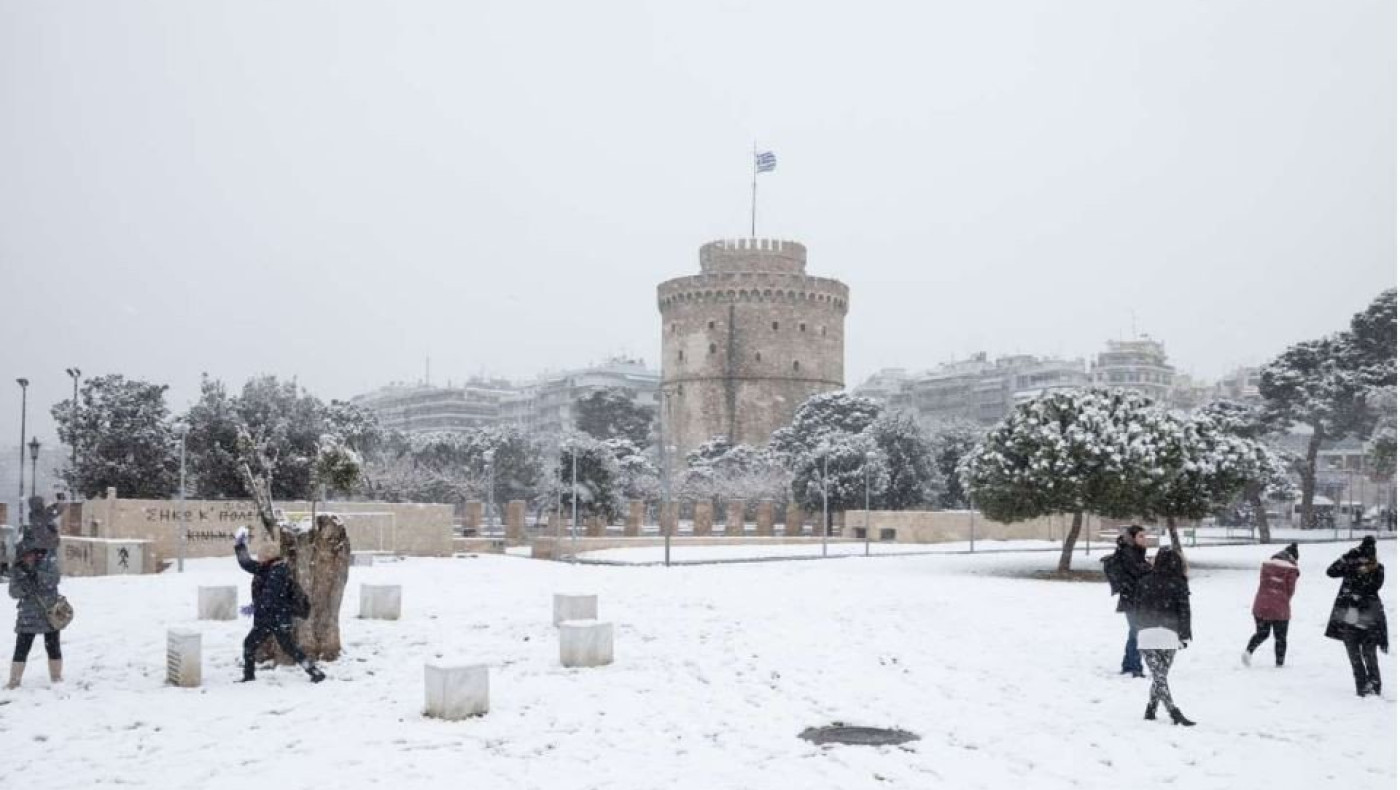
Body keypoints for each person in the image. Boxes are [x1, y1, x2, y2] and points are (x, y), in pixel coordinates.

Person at [234, 528, 325, 684]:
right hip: (272, 617)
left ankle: (249, 676)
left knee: (258, 645)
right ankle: (314, 671)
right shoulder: (267, 567)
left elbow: (270, 596)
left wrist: (254, 606)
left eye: (261, 556)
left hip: (276, 617)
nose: (259, 559)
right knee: (283, 647)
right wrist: (240, 546)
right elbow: (247, 564)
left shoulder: (277, 572)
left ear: (267, 557)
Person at [1134, 548, 1195, 726]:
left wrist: (1139, 628)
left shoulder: (1143, 581)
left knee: (1159, 676)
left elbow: (1137, 608)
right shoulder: (1179, 583)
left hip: (1146, 633)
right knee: (1160, 675)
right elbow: (1184, 611)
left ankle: (1151, 709)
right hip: (1169, 633)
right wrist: (1184, 635)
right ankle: (1173, 711)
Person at [1324, 536, 1388, 697]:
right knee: (1367, 651)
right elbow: (1330, 573)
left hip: (1353, 612)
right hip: (1368, 613)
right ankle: (1373, 684)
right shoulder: (1377, 568)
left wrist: (1346, 559)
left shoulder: (1357, 567)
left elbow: (1331, 571)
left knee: (1354, 650)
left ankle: (1363, 685)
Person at [5, 536, 63, 689]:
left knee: (53, 647)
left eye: (29, 553)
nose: (27, 557)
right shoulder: (18, 570)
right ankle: (14, 680)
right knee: (21, 648)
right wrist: (24, 587)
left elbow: (54, 580)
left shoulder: (47, 565)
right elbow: (13, 592)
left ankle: (56, 677)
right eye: (24, 554)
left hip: (48, 613)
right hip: (27, 616)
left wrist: (37, 576)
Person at [1104, 525, 1153, 677]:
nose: (1145, 539)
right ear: (1133, 538)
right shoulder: (1128, 553)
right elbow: (1138, 572)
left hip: (1135, 598)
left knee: (1136, 632)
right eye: (1141, 536)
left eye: (1145, 536)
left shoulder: (1135, 552)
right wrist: (1151, 566)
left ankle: (1129, 665)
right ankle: (1134, 668)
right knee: (1137, 632)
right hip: (1132, 599)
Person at [1243, 543, 1300, 667]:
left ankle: (1248, 651)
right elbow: (1290, 591)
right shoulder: (1291, 570)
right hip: (1280, 608)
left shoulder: (1267, 565)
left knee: (1262, 633)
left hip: (1261, 605)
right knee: (1280, 637)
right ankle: (1279, 663)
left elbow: (1264, 584)